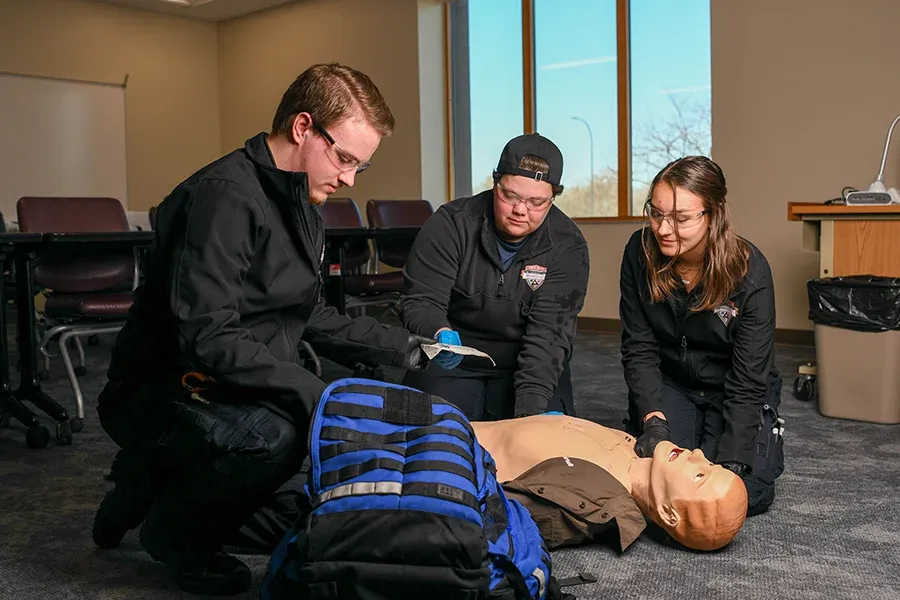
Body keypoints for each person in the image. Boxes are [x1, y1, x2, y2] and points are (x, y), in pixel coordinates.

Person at [90, 63, 440, 596]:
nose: (348, 178)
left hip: (228, 382)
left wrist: (404, 347)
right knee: (277, 438)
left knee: (295, 489)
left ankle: (149, 479)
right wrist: (318, 396)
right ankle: (172, 531)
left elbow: (309, 311)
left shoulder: (300, 199)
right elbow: (207, 335)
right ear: (303, 128)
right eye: (345, 158)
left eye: (359, 168)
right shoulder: (223, 197)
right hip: (160, 388)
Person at [619, 155, 783, 518]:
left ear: (714, 215)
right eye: (656, 213)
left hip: (733, 385)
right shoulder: (639, 251)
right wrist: (652, 417)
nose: (663, 229)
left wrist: (732, 460)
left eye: (680, 219)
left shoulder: (750, 269)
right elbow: (639, 347)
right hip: (672, 382)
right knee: (655, 478)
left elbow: (749, 378)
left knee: (741, 493)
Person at [399, 133, 590, 420]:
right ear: (494, 183)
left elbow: (548, 337)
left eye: (536, 202)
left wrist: (529, 416)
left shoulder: (568, 245)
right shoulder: (451, 223)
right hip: (455, 357)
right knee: (430, 434)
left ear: (553, 198)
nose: (520, 210)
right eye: (510, 195)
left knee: (544, 444)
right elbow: (421, 299)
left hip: (529, 362)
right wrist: (438, 333)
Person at [471, 414, 748, 552]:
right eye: (710, 464)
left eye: (700, 475)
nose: (698, 455)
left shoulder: (588, 497)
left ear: (667, 512)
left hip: (440, 441)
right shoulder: (634, 450)